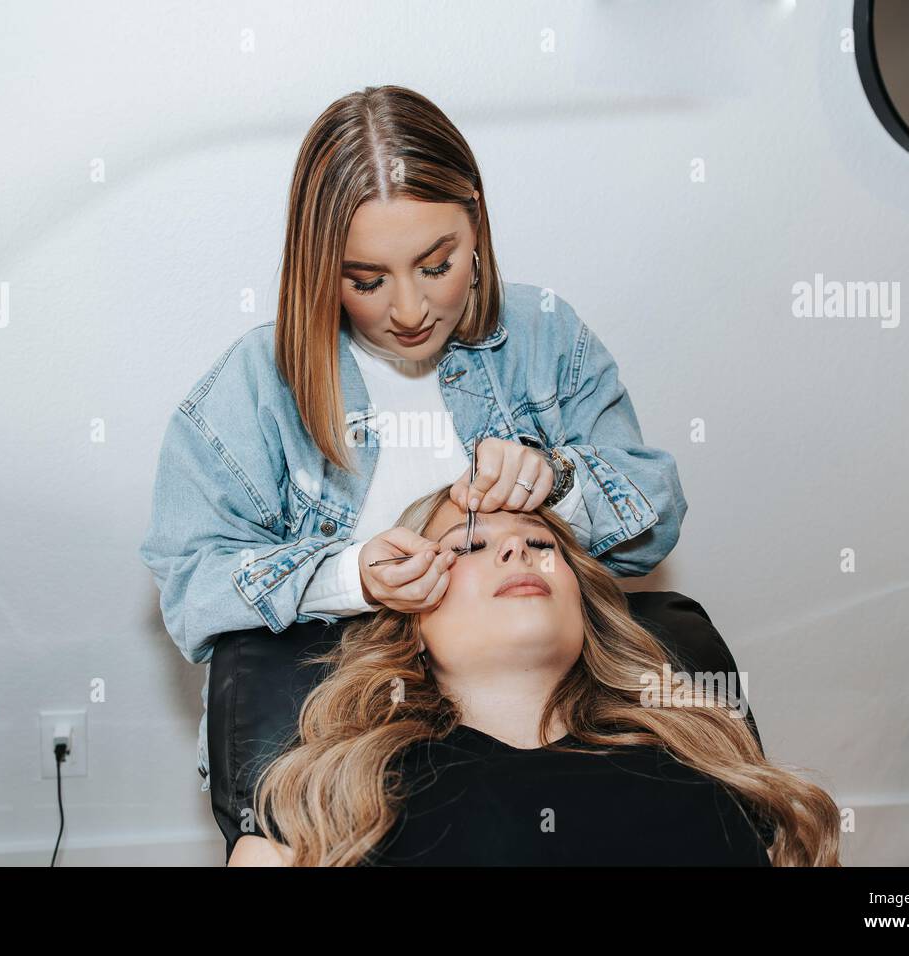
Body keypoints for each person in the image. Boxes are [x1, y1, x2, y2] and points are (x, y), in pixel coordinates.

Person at [139, 85, 687, 794]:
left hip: (546, 734)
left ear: (475, 223)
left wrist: (556, 480)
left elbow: (655, 519)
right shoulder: (257, 387)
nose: (408, 311)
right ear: (320, 265)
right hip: (348, 758)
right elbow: (192, 591)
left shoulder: (545, 337)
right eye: (366, 281)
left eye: (436, 266)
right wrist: (349, 578)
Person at [228, 486, 842, 866]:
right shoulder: (334, 809)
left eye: (542, 544)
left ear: (585, 607)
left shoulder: (705, 764)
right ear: (410, 622)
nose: (518, 551)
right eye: (469, 546)